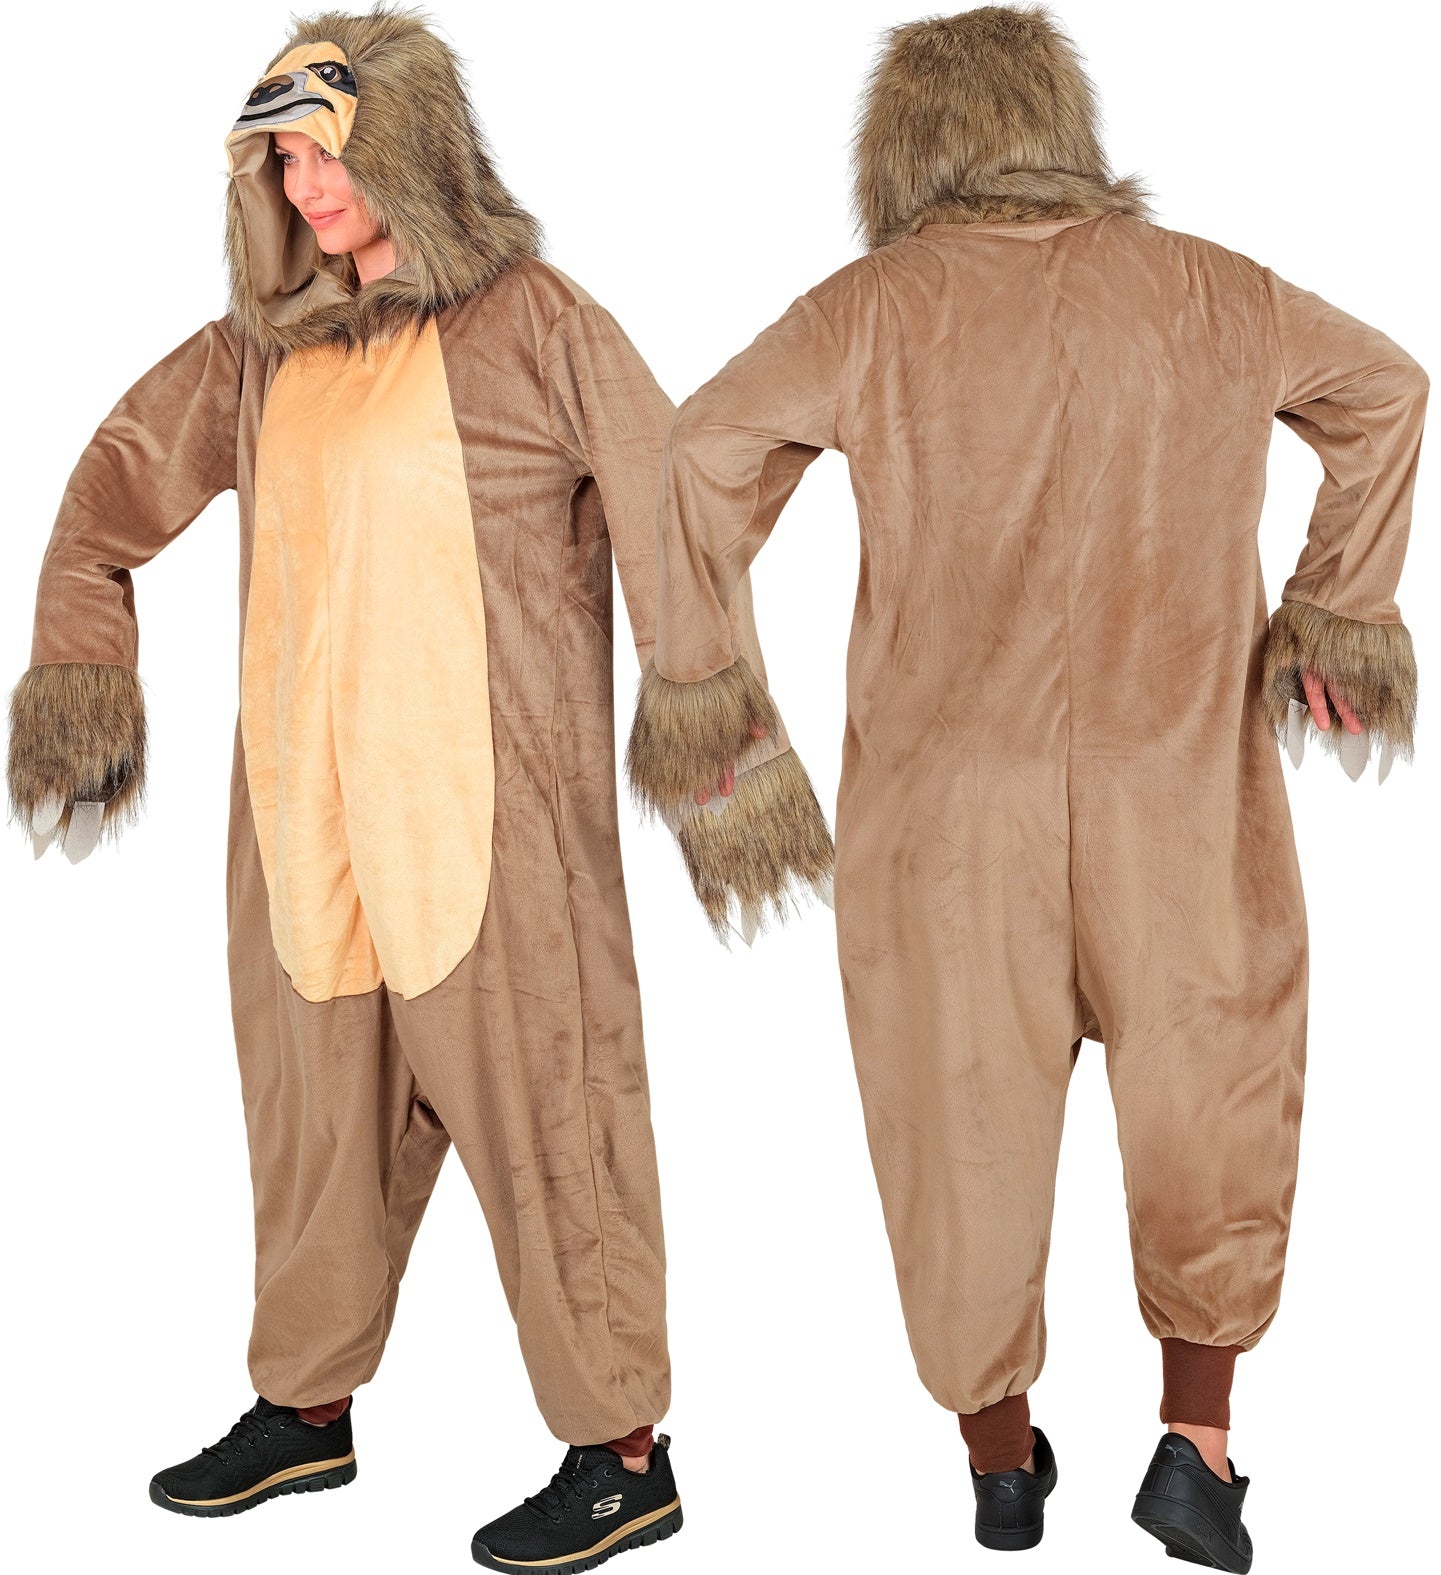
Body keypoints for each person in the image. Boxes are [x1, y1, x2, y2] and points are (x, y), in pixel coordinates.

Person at [624, 6, 1426, 1569]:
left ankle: (999, 1469)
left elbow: (702, 448)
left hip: (943, 815)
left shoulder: (870, 308)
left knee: (956, 1125)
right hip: (1173, 790)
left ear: (904, 153)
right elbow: (1385, 389)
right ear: (1063, 126)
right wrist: (1338, 604)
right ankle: (1194, 1448)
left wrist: (716, 710)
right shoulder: (1208, 289)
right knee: (1212, 1089)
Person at [6, 6, 693, 1567]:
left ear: (416, 149)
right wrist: (84, 673)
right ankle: (306, 1410)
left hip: (492, 815)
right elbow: (106, 493)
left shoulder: (537, 324)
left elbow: (673, 509)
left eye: (328, 153)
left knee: (554, 1117)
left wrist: (707, 725)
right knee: (315, 1124)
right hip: (305, 820)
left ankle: (624, 1452)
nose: (305, 187)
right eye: (283, 162)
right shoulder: (260, 351)